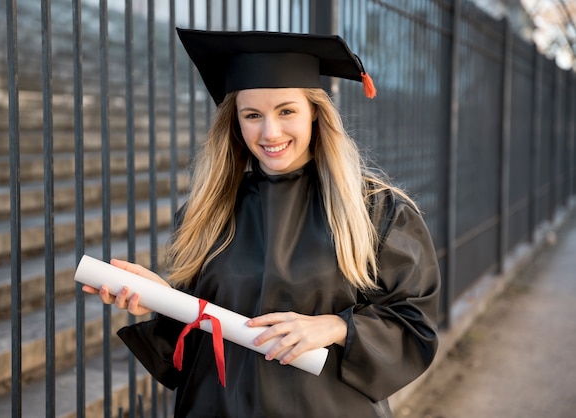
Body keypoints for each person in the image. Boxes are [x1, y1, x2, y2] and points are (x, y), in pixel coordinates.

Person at [83, 28, 441, 418]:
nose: (270, 132)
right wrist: (163, 300)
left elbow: (414, 326)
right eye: (252, 115)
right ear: (235, 123)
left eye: (286, 111)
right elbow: (194, 342)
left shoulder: (375, 211)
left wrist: (336, 327)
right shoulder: (207, 212)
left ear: (316, 115)